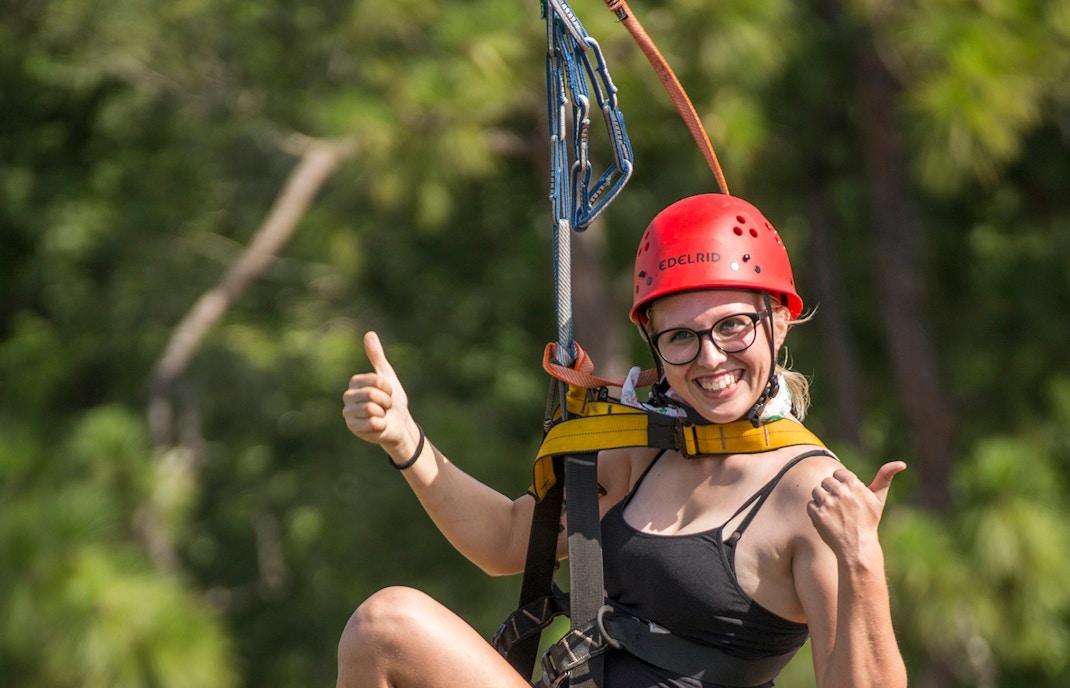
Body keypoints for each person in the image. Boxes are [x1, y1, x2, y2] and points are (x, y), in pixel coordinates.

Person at [338, 194, 908, 688]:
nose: (711, 358)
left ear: (777, 321)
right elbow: (508, 539)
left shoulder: (813, 500)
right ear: (654, 346)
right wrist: (406, 440)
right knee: (383, 625)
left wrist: (860, 559)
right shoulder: (645, 448)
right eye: (681, 337)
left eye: (732, 325)